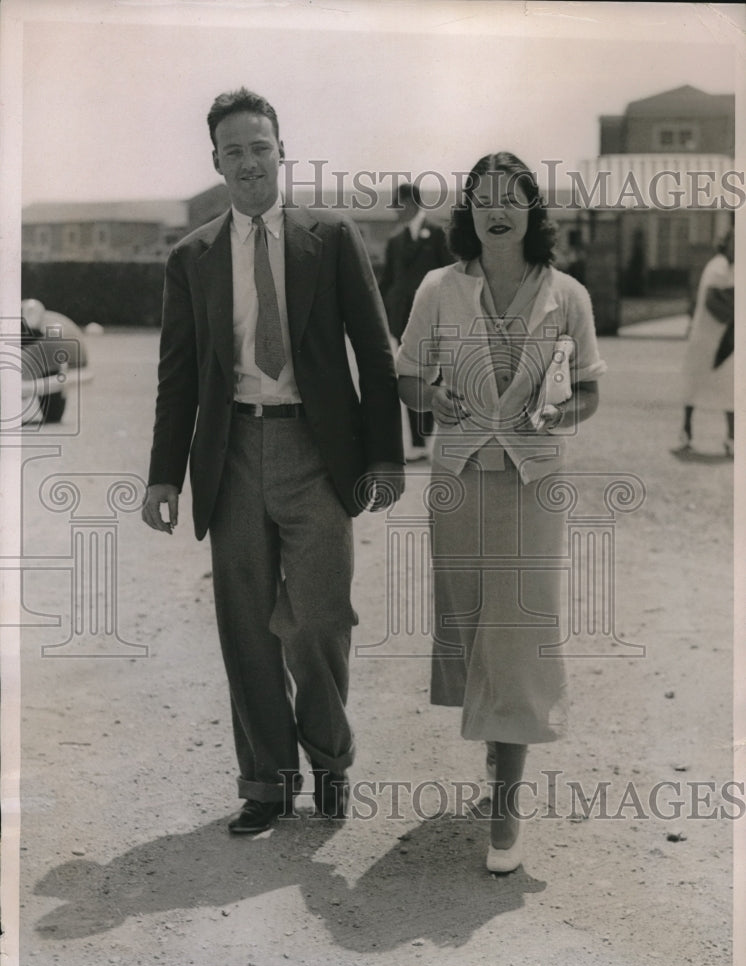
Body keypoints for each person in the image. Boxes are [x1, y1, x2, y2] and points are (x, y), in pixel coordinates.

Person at [142, 88, 404, 834]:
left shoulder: (334, 235)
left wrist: (385, 458)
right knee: (247, 626)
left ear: (281, 151)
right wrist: (164, 474)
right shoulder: (190, 257)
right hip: (232, 456)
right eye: (234, 151)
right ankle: (264, 783)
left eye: (261, 147)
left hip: (317, 452)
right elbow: (179, 374)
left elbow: (376, 357)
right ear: (216, 162)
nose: (249, 162)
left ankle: (329, 762)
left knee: (320, 618)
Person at [395, 152, 606, 872]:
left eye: (510, 197)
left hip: (531, 487)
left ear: (530, 211)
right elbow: (407, 377)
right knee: (473, 625)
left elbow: (588, 392)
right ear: (469, 213)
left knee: (516, 637)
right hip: (458, 484)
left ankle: (507, 811)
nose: (496, 210)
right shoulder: (437, 288)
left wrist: (558, 413)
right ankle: (496, 750)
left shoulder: (567, 295)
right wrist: (435, 399)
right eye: (481, 198)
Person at [378, 182, 453, 461]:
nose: (395, 210)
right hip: (403, 320)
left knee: (438, 376)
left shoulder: (437, 235)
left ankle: (438, 438)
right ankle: (420, 444)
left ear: (410, 202)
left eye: (397, 204)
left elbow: (450, 276)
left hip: (434, 319)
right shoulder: (395, 241)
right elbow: (386, 283)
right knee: (410, 376)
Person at [674, 227, 734, 457]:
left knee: (731, 386)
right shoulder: (716, 266)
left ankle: (732, 439)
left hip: (729, 338)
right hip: (706, 335)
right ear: (725, 243)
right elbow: (713, 301)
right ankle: (686, 432)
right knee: (693, 384)